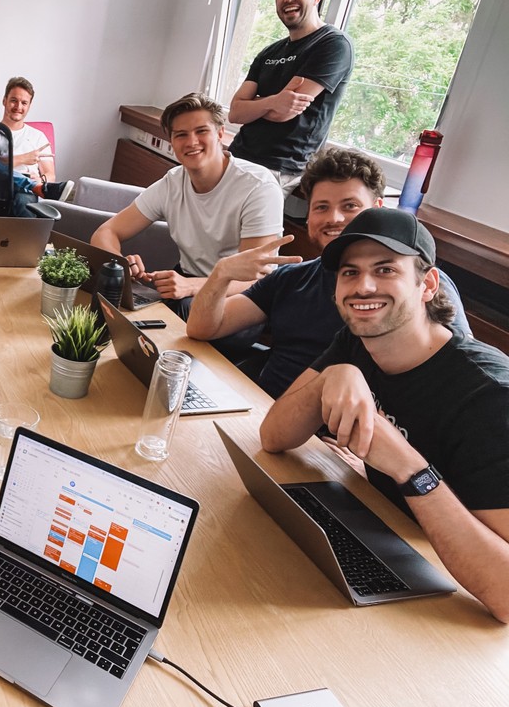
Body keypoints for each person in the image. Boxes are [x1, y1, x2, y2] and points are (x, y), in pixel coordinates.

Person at [260, 208, 509, 622]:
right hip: (387, 553)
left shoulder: (490, 396)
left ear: (427, 285)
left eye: (385, 269)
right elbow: (273, 436)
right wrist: (331, 377)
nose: (364, 286)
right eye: (349, 273)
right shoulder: (359, 339)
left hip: (459, 614)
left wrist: (410, 468)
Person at [187, 147, 470, 397]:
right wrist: (222, 274)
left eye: (350, 206)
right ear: (309, 216)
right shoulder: (291, 277)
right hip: (262, 413)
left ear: (377, 210)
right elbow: (203, 328)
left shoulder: (415, 285)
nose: (334, 218)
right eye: (322, 207)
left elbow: (452, 377)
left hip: (345, 442)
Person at [91, 92, 283, 322]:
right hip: (186, 284)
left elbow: (255, 276)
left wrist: (190, 286)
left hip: (242, 297)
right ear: (172, 143)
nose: (191, 142)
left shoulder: (258, 186)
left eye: (201, 131)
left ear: (220, 134)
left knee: (169, 318)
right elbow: (106, 232)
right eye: (181, 135)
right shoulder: (172, 182)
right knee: (115, 307)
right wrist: (119, 265)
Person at [227, 0, 354, 203]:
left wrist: (254, 104)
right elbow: (235, 112)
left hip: (278, 169)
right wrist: (274, 100)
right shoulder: (269, 52)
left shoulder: (333, 44)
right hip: (237, 156)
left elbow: (283, 113)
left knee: (242, 240)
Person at [0, 76, 75, 214]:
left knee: (24, 201)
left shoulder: (38, 136)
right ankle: (33, 186)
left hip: (26, 193)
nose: (18, 107)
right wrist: (24, 159)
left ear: (29, 106)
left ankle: (33, 188)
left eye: (24, 103)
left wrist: (41, 180)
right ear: (4, 101)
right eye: (14, 101)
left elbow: (50, 175)